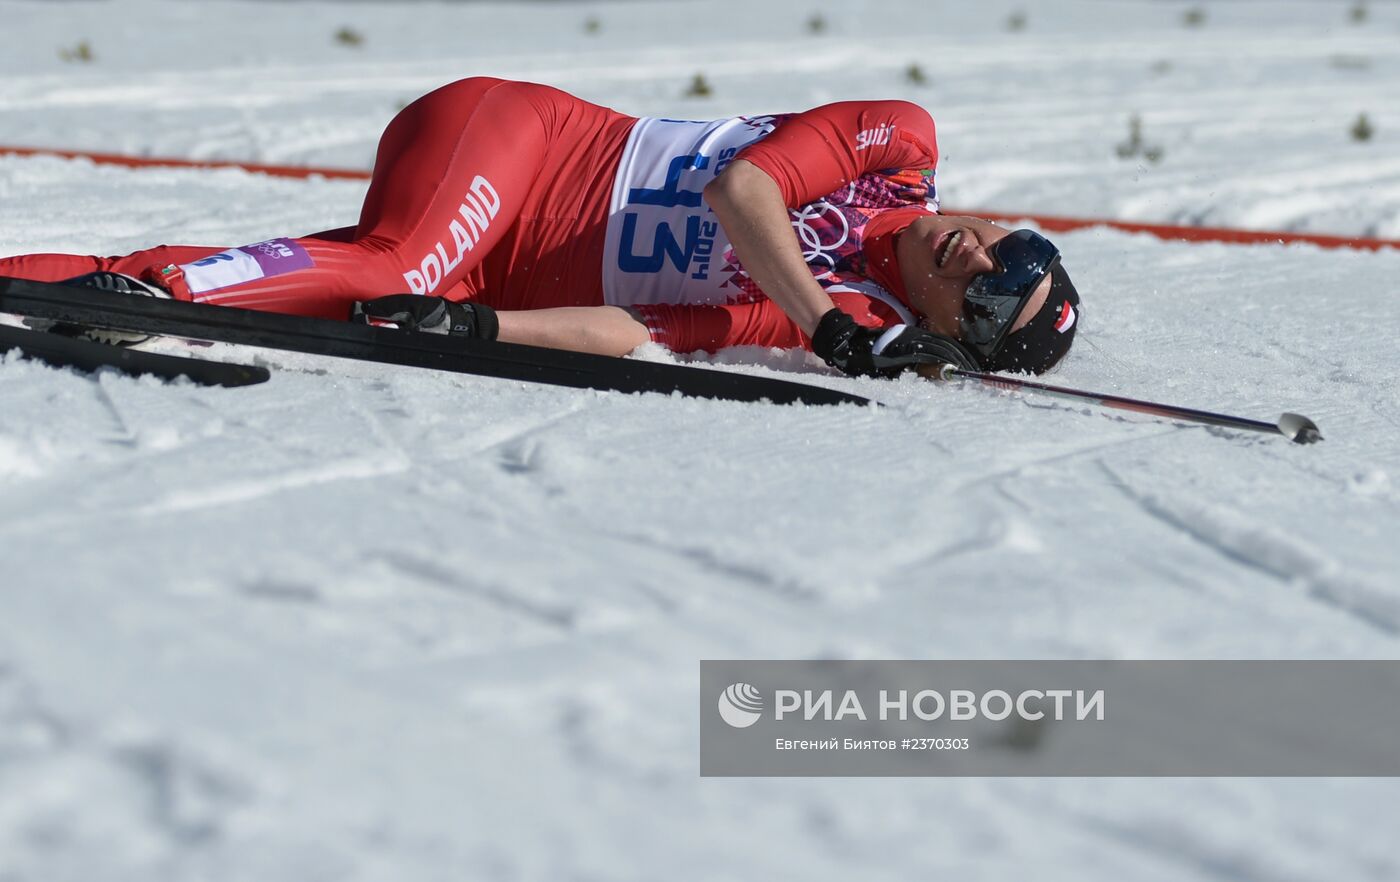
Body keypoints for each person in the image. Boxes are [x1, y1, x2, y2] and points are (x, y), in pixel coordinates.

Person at [0, 77, 1079, 378]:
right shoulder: (901, 147)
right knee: (394, 257)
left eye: (991, 292)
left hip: (492, 274)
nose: (982, 256)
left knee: (326, 282)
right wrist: (829, 330)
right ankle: (149, 308)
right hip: (517, 139)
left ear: (954, 326)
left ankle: (97, 283)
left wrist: (480, 336)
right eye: (1016, 249)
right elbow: (744, 192)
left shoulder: (832, 315)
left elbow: (642, 331)